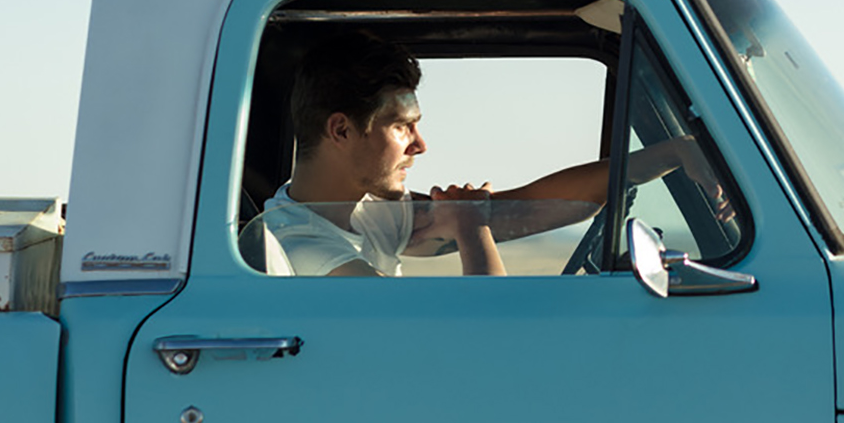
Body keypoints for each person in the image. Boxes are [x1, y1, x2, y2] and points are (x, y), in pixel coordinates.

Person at [260, 30, 709, 277]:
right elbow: (484, 337)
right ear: (341, 130)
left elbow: (534, 209)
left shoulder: (367, 212)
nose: (420, 145)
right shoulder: (305, 249)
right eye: (401, 127)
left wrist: (673, 153)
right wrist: (472, 228)